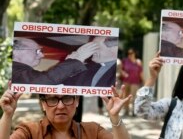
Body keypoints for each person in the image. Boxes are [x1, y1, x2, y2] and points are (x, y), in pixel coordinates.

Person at [0, 84, 132, 139]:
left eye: (67, 98)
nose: (61, 106)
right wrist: (7, 115)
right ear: (43, 104)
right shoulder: (29, 132)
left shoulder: (92, 131)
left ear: (77, 101)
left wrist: (115, 117)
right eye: (52, 99)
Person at [63, 36, 118, 115]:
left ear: (114, 48)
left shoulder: (117, 71)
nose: (92, 52)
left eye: (95, 47)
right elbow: (65, 85)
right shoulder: (85, 67)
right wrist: (68, 66)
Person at [12, 37, 99, 84]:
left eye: (41, 51)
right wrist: (78, 58)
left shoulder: (18, 71)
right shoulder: (14, 71)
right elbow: (45, 80)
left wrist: (69, 62)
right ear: (15, 52)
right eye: (37, 51)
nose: (42, 55)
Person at [121, 48, 144, 116]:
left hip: (135, 82)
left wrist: (144, 82)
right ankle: (126, 110)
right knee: (126, 96)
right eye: (128, 53)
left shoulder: (138, 62)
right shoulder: (125, 61)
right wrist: (124, 73)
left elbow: (141, 73)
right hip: (126, 81)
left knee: (133, 97)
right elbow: (121, 70)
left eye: (131, 53)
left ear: (134, 54)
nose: (130, 55)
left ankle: (134, 111)